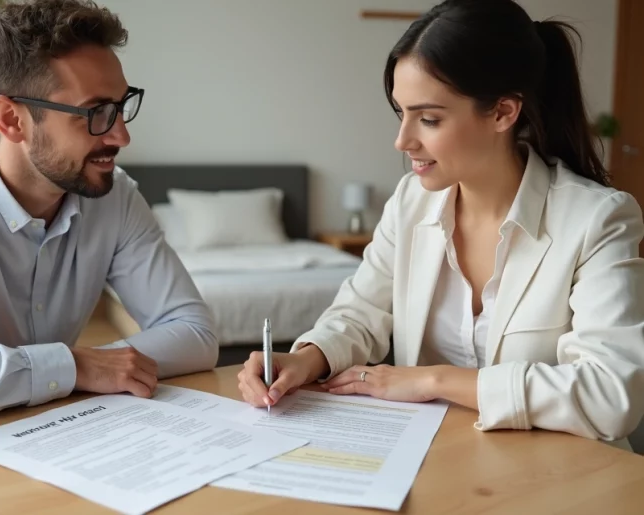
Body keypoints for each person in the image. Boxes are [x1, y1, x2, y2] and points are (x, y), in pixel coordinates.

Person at [238, 0, 644, 450]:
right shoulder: (411, 201)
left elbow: (612, 395)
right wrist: (307, 359)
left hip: (562, 476)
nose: (402, 140)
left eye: (428, 118)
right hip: (439, 460)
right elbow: (360, 312)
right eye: (401, 112)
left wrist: (433, 380)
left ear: (503, 112)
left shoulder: (598, 218)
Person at [0, 0, 218, 434]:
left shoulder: (114, 196)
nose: (122, 136)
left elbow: (195, 335)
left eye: (121, 105)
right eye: (95, 113)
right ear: (11, 119)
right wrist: (73, 366)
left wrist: (74, 369)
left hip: (64, 434)